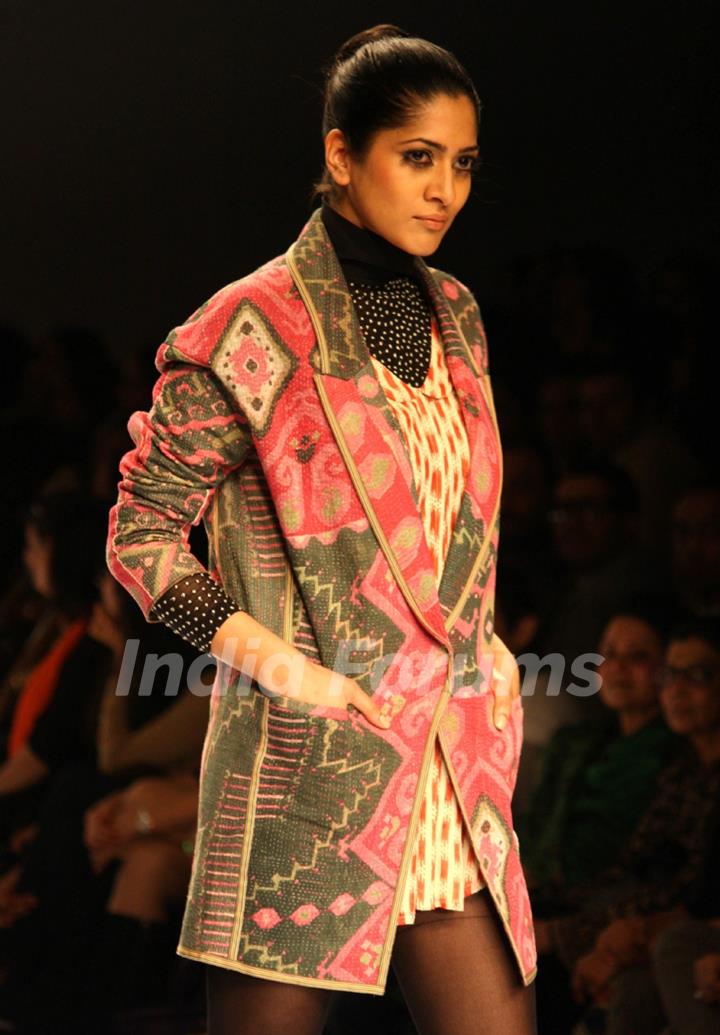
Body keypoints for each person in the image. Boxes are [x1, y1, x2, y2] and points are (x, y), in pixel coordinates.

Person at [107, 25, 536, 1035]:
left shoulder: (460, 318)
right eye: (417, 157)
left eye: (463, 163)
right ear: (342, 155)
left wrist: (496, 647)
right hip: (307, 768)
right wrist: (275, 663)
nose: (445, 189)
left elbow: (446, 526)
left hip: (451, 763)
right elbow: (142, 534)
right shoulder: (246, 327)